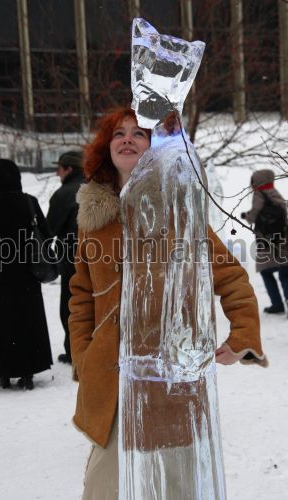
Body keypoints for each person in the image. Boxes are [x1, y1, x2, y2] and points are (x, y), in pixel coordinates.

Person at [68, 108, 266, 499]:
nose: (127, 139)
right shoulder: (93, 220)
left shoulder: (181, 211)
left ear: (154, 148)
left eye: (138, 134)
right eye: (118, 134)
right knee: (104, 488)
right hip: (111, 378)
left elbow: (230, 276)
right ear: (106, 148)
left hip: (169, 378)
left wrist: (243, 333)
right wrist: (85, 356)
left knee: (173, 486)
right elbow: (80, 297)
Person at [0, 159, 53, 390]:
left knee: (0, 323)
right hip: (27, 274)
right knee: (27, 321)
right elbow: (46, 234)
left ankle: (4, 373)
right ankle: (27, 371)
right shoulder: (29, 202)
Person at [47, 150, 84, 363]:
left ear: (69, 169)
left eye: (59, 168)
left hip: (71, 259)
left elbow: (48, 229)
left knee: (71, 306)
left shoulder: (64, 194)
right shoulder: (97, 188)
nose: (57, 173)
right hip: (102, 258)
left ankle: (74, 351)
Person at [241, 169, 288, 314]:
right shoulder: (275, 193)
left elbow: (254, 215)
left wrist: (246, 216)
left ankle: (277, 304)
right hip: (283, 239)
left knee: (266, 272)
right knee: (284, 272)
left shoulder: (258, 194)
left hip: (266, 242)